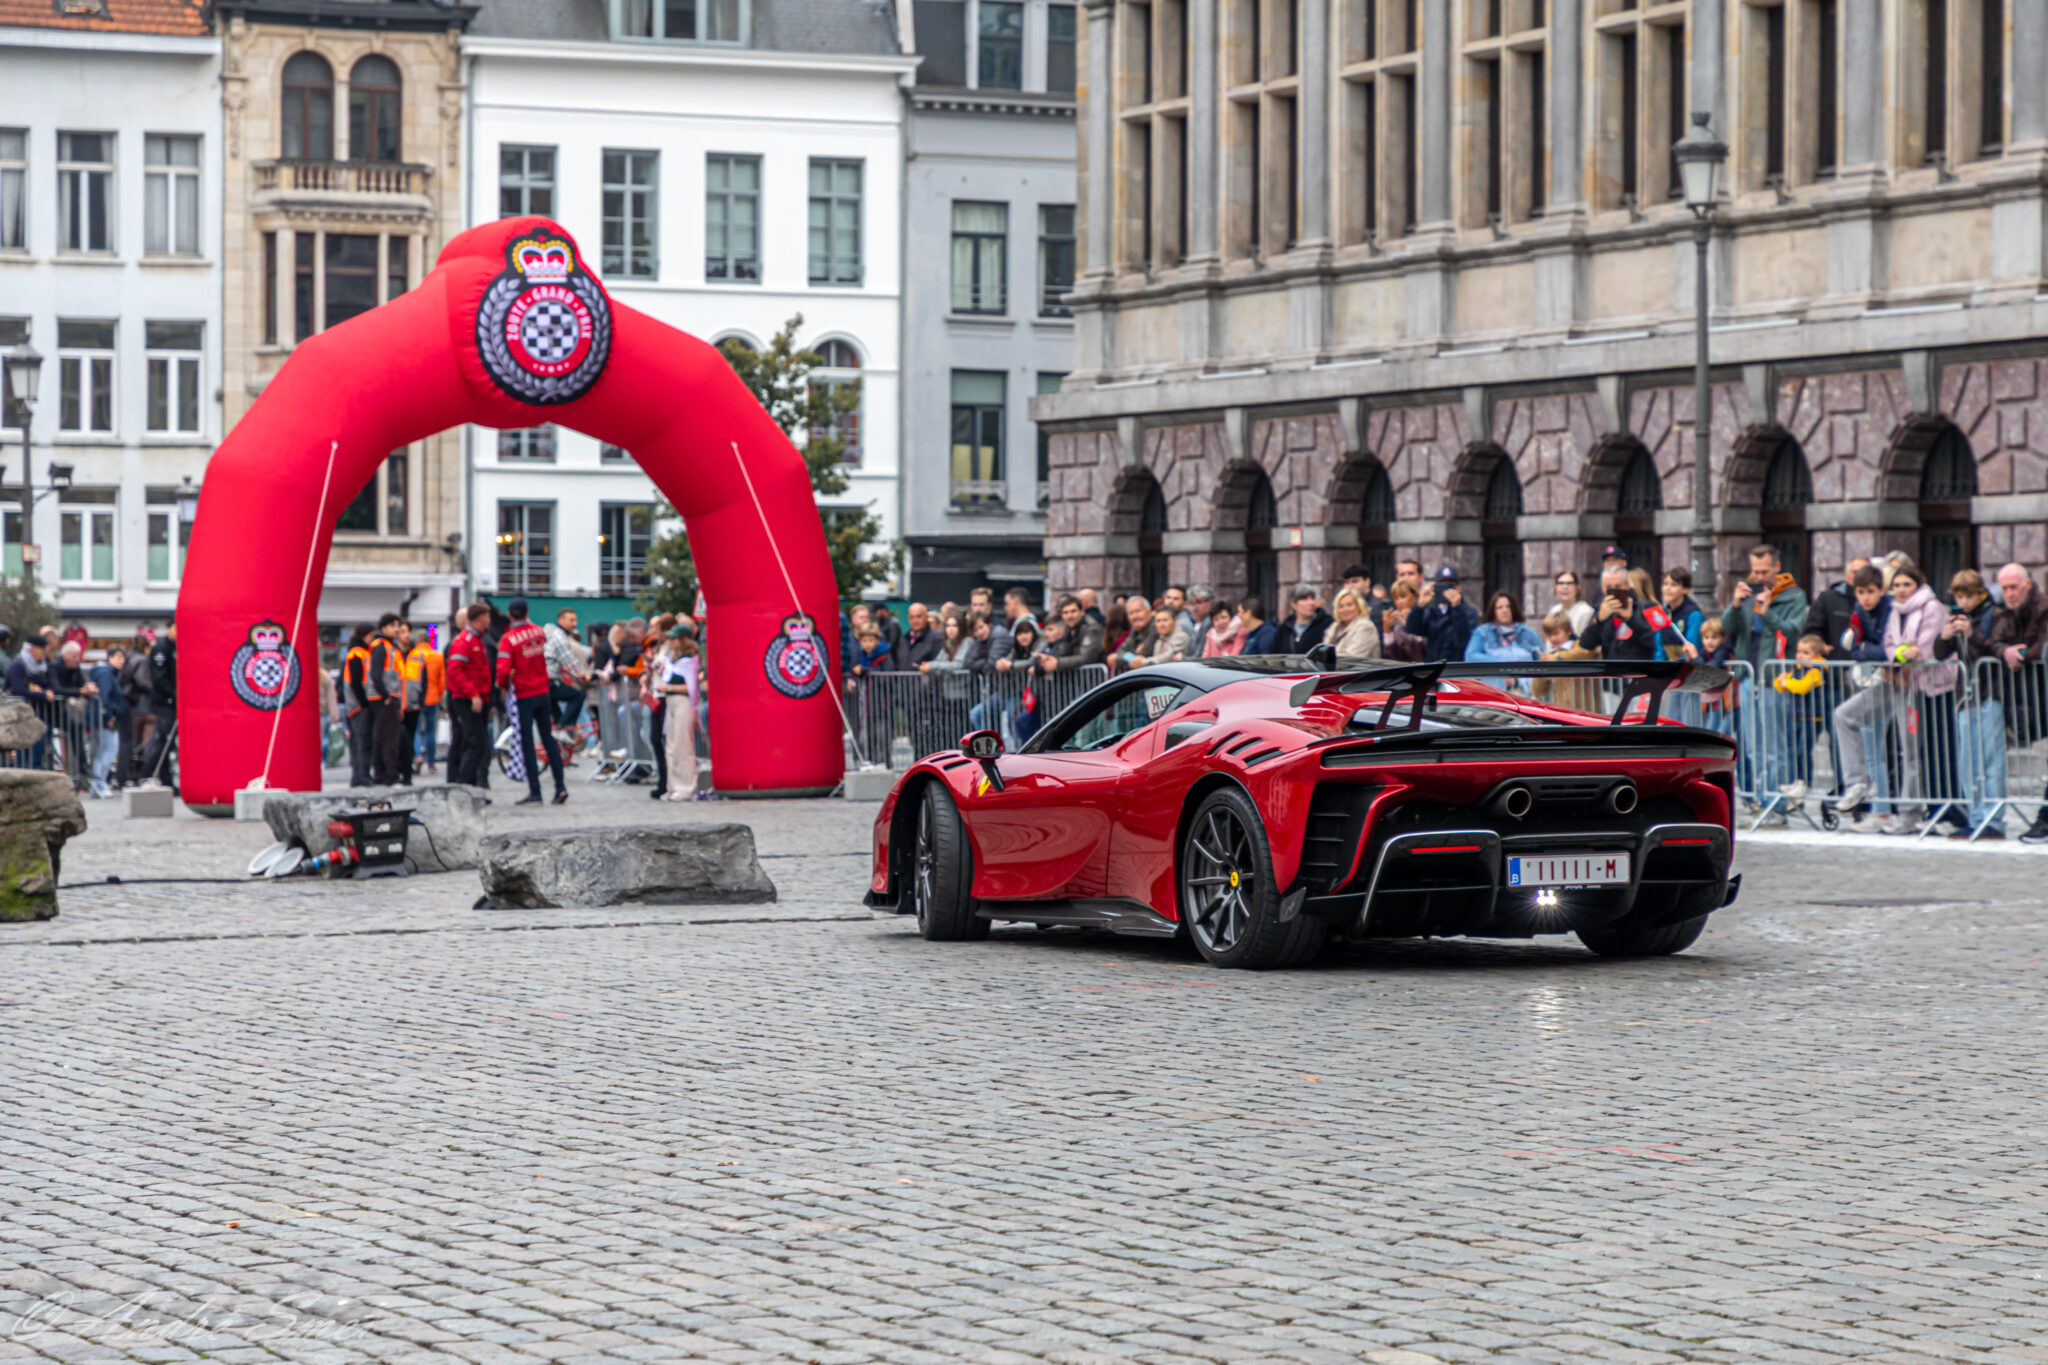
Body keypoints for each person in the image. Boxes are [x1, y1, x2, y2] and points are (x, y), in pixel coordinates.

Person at [1722, 545, 1809, 803]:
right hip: (1748, 677)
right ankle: (1762, 800)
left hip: (1774, 678)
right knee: (1752, 746)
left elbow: (1792, 631)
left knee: (1775, 745)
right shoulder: (1749, 594)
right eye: (1756, 571)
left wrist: (1768, 612)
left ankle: (1777, 803)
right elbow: (1728, 627)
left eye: (1764, 571)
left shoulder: (1795, 596)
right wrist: (1735, 604)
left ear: (1777, 567)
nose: (1759, 576)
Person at [1875, 564, 1957, 835]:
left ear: (1917, 585)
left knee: (1938, 750)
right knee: (1917, 750)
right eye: (1896, 585)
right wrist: (1900, 654)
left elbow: (1925, 646)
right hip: (1910, 687)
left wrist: (1906, 653)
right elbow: (1889, 644)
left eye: (1906, 584)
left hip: (1935, 686)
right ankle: (1928, 809)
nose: (1901, 590)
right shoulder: (1895, 611)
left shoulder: (1931, 607)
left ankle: (1945, 810)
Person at [1936, 569, 2014, 837]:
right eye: (1959, 596)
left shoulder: (1996, 614)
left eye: (1968, 596)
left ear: (1980, 594)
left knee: (1991, 761)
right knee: (1968, 763)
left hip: (1990, 694)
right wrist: (1945, 635)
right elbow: (1939, 654)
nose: (1964, 602)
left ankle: (1994, 820)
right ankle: (1976, 818)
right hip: (1965, 696)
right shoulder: (1959, 617)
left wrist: (1972, 634)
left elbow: (1997, 649)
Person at [1830, 565, 1899, 826]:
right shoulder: (1859, 610)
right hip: (1874, 680)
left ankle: (1889, 807)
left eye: (1870, 591)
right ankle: (1877, 807)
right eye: (1861, 592)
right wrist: (1866, 651)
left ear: (1881, 590)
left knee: (1901, 752)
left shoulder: (1890, 609)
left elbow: (1886, 651)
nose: (1866, 597)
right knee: (1871, 748)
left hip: (1898, 682)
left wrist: (1865, 650)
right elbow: (1855, 650)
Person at [1991, 564, 2048, 843]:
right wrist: (2006, 651)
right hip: (2033, 697)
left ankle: (2044, 820)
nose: (2010, 593)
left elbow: (2044, 645)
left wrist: (2022, 654)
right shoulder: (2004, 610)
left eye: (2014, 587)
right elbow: (1995, 641)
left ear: (2027, 584)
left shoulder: (2042, 607)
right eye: (2005, 588)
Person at [495, 598, 568, 806]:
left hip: (523, 695)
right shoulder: (539, 632)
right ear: (527, 613)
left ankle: (535, 792)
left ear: (510, 615)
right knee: (548, 739)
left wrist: (503, 687)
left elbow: (502, 671)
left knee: (527, 743)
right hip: (543, 691)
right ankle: (560, 786)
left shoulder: (508, 639)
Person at [445, 605, 494, 788]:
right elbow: (454, 672)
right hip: (466, 700)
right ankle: (463, 787)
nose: (489, 621)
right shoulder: (465, 641)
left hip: (476, 700)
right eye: (487, 617)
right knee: (475, 744)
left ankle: (469, 789)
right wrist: (473, 694)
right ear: (480, 618)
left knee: (477, 745)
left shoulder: (476, 640)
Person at [659, 618, 703, 800]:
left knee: (683, 745)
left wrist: (668, 687)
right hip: (671, 702)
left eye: (674, 638)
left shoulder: (689, 660)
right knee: (671, 746)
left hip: (683, 702)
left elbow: (691, 688)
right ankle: (673, 786)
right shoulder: (673, 659)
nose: (671, 641)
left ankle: (686, 787)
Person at [365, 613, 407, 786]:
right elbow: (376, 674)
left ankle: (382, 775)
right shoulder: (381, 647)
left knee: (383, 737)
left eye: (397, 625)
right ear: (383, 628)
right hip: (382, 697)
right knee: (389, 739)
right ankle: (389, 775)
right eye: (392, 625)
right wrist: (386, 696)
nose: (396, 629)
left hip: (382, 696)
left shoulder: (388, 647)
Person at [4, 636, 55, 769]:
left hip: (36, 715)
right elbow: (18, 690)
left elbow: (49, 685)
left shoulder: (43, 666)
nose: (45, 652)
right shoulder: (19, 665)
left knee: (39, 742)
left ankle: (31, 770)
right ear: (33, 649)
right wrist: (42, 695)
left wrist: (44, 691)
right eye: (42, 648)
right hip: (17, 715)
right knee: (25, 748)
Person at [1408, 568, 1477, 662]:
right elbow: (1413, 630)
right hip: (1434, 664)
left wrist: (1457, 608)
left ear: (1458, 588)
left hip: (1457, 665)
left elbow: (1463, 641)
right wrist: (1419, 606)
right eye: (1442, 586)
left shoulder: (1469, 612)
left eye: (1451, 585)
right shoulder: (1430, 611)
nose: (1446, 590)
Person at [141, 622, 178, 788]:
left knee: (168, 742)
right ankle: (146, 774)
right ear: (168, 629)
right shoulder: (161, 648)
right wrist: (173, 694)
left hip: (172, 702)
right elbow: (159, 678)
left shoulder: (176, 647)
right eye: (176, 628)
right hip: (163, 701)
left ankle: (166, 779)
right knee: (164, 740)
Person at [85, 647, 124, 798]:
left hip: (100, 717)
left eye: (123, 658)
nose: (121, 661)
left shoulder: (104, 673)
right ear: (110, 658)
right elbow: (104, 697)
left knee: (102, 750)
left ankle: (97, 784)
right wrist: (108, 716)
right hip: (104, 718)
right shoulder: (106, 674)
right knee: (108, 749)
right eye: (118, 657)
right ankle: (99, 783)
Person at [408, 625, 446, 777]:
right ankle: (431, 763)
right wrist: (438, 696)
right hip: (432, 698)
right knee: (431, 731)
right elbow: (442, 682)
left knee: (416, 730)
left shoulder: (413, 655)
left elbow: (411, 679)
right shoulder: (438, 656)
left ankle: (418, 755)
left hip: (417, 700)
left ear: (418, 640)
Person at [1466, 592, 1543, 662]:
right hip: (1495, 673)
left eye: (1508, 606)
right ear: (1493, 611)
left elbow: (1541, 658)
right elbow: (1471, 657)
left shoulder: (1528, 632)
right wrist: (1499, 663)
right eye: (1500, 607)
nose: (1505, 610)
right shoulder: (1483, 632)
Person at [341, 625, 375, 787]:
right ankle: (362, 776)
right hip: (358, 705)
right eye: (371, 636)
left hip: (355, 704)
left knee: (358, 742)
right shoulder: (357, 653)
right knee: (362, 742)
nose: (372, 640)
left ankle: (359, 776)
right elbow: (356, 682)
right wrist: (365, 703)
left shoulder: (359, 652)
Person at [544, 608, 587, 733]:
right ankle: (564, 727)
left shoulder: (549, 633)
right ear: (561, 620)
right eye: (571, 620)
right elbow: (569, 660)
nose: (575, 624)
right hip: (551, 679)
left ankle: (559, 729)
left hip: (543, 680)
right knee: (578, 695)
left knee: (555, 709)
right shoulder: (560, 637)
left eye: (575, 620)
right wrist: (582, 675)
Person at [1036, 595, 1105, 673]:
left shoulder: (1092, 629)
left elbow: (1087, 657)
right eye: (1065, 613)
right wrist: (1049, 658)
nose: (1069, 616)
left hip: (1092, 676)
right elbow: (1062, 651)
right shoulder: (1067, 629)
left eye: (1073, 611)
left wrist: (1058, 663)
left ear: (1082, 612)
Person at [1327, 588, 1381, 660]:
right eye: (1341, 606)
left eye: (1349, 605)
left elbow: (1352, 658)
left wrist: (1328, 657)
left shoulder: (1365, 626)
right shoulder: (1334, 627)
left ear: (1359, 606)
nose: (1345, 609)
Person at [1275, 586, 1331, 654]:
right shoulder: (1285, 628)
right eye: (1305, 599)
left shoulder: (1326, 624)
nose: (1311, 603)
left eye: (1312, 598)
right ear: (1294, 604)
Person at [1381, 582, 1426, 661]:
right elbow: (1390, 653)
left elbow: (1424, 646)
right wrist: (1387, 630)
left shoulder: (1424, 615)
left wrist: (1409, 626)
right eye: (1396, 598)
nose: (1399, 601)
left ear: (1415, 596)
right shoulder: (1394, 621)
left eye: (1403, 596)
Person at [895, 602, 941, 673]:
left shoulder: (937, 639)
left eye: (919, 616)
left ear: (927, 617)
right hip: (902, 679)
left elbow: (938, 667)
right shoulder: (902, 639)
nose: (915, 621)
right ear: (908, 618)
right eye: (911, 617)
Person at [1550, 571, 1596, 638]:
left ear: (1577, 588)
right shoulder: (1554, 610)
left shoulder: (1586, 611)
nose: (1565, 587)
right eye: (1561, 583)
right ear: (1555, 588)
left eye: (1570, 583)